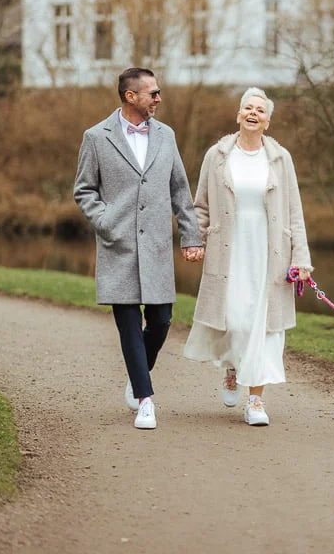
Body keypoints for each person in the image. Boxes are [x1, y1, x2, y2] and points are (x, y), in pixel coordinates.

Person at [74, 67, 204, 430]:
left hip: (158, 245)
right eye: (153, 93)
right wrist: (105, 221)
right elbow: (84, 190)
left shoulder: (167, 136)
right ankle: (146, 400)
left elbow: (180, 189)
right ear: (131, 96)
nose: (159, 98)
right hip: (118, 245)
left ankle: (137, 373)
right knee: (128, 323)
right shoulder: (96, 137)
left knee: (161, 320)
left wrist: (191, 237)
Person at [182, 87, 313, 426]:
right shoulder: (218, 155)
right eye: (248, 108)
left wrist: (301, 259)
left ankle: (255, 400)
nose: (253, 113)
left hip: (271, 254)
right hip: (230, 252)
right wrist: (193, 241)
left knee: (265, 328)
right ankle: (232, 366)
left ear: (267, 122)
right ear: (238, 115)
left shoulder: (281, 159)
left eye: (260, 110)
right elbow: (201, 206)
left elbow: (294, 212)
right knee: (235, 320)